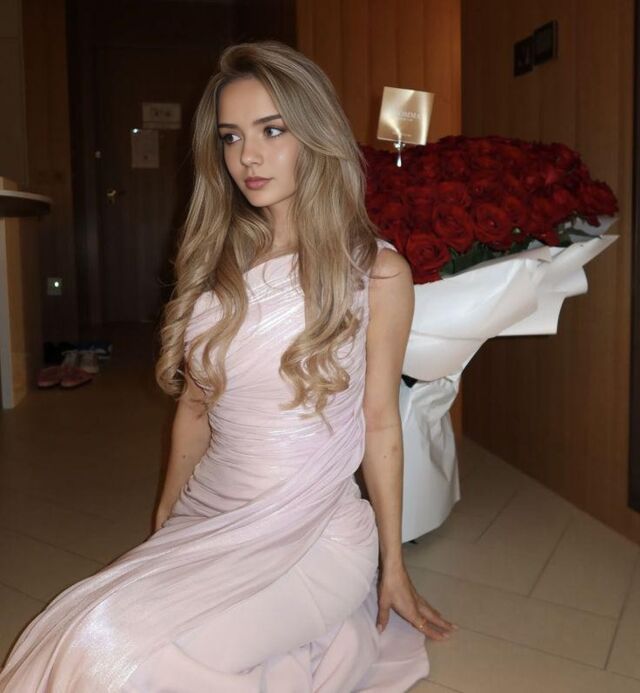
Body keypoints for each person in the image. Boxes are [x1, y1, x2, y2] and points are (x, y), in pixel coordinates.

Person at [0, 40, 456, 692]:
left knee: (133, 657)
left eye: (272, 130)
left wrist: (394, 565)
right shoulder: (217, 264)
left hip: (316, 533)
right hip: (212, 512)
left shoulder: (377, 273)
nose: (248, 157)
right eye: (231, 137)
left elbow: (381, 422)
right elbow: (194, 408)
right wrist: (166, 520)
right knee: (80, 632)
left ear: (316, 134)